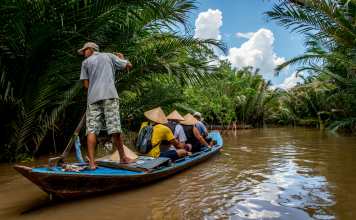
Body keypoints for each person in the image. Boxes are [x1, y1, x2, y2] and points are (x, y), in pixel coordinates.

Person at [78, 42, 136, 169]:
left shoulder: (85, 63)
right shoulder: (109, 56)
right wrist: (121, 58)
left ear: (90, 50)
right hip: (109, 95)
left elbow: (87, 85)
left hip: (93, 98)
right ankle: (123, 158)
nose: (84, 55)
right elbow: (129, 65)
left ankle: (92, 163)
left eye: (84, 52)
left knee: (91, 130)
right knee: (114, 127)